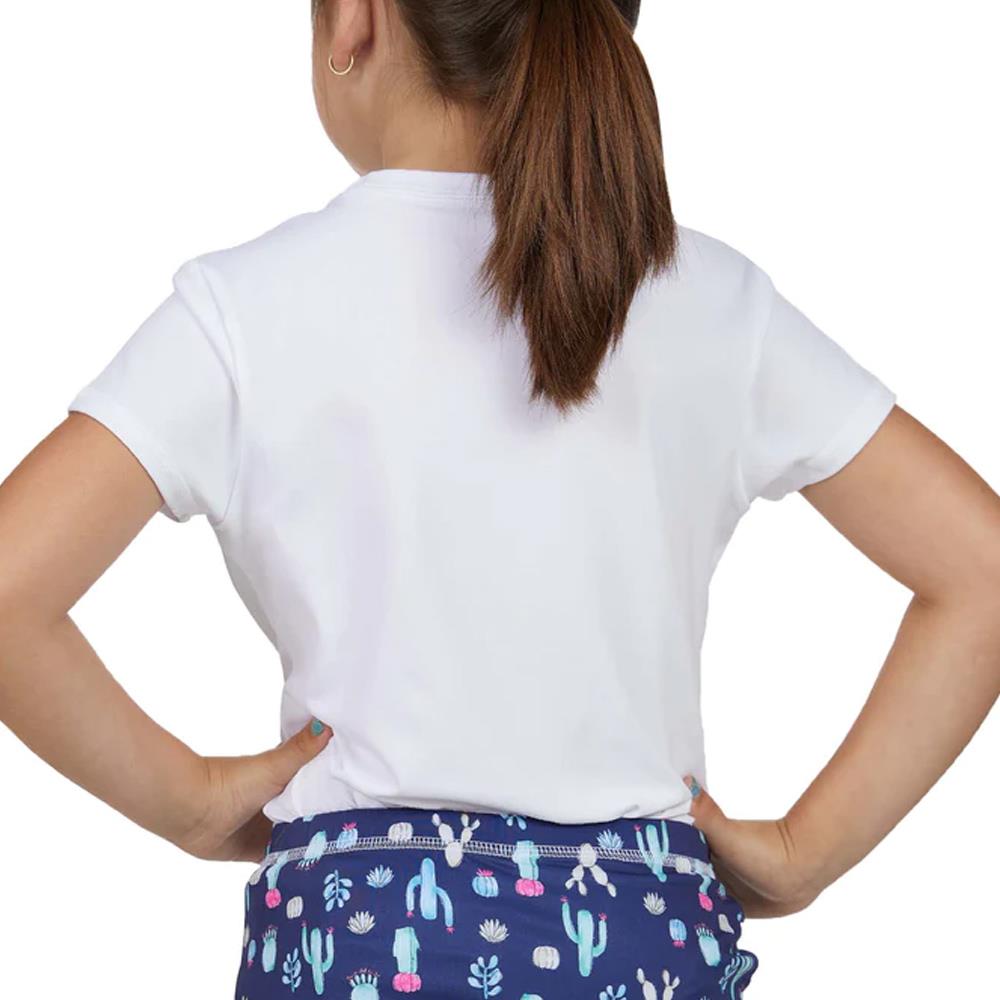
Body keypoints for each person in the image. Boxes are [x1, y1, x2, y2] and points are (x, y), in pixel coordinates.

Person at [1, 1, 997, 996]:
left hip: (354, 939)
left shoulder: (243, 309)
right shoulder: (705, 298)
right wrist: (803, 853)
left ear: (355, 22)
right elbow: (980, 571)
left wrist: (185, 802)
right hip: (639, 940)